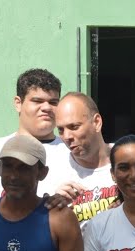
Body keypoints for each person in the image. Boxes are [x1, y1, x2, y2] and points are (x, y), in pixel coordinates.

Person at [0, 68, 72, 194]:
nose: (46, 107)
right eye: (37, 101)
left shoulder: (73, 152)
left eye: (53, 102)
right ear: (18, 103)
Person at [50, 92, 123, 224]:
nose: (67, 136)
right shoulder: (52, 170)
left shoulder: (128, 159)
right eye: (61, 130)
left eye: (74, 127)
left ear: (97, 122)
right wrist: (54, 209)